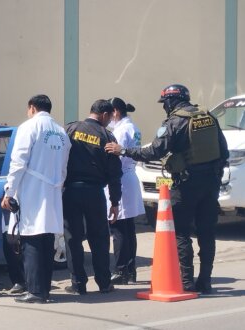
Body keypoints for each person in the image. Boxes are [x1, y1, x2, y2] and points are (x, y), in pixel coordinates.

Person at [105, 84, 228, 293]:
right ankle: (205, 280)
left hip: (187, 184)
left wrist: (123, 150)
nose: (164, 107)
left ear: (171, 102)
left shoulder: (175, 122)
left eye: (165, 103)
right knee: (207, 232)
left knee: (181, 232)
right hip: (211, 183)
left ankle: (187, 282)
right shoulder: (208, 117)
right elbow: (223, 151)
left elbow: (154, 151)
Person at [1, 94, 71, 303]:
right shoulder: (60, 132)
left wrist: (9, 191)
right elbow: (64, 167)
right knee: (47, 241)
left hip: (33, 191)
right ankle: (44, 290)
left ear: (32, 108)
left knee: (31, 242)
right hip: (53, 191)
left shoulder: (29, 127)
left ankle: (35, 291)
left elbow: (18, 162)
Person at [63, 99, 122, 295]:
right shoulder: (106, 135)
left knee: (72, 238)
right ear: (104, 115)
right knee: (99, 239)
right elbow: (115, 173)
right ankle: (104, 283)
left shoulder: (70, 129)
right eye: (109, 118)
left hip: (70, 191)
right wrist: (115, 202)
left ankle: (78, 284)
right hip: (95, 193)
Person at [105, 97, 145, 284]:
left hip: (121, 178)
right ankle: (130, 269)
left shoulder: (120, 131)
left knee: (119, 227)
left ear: (115, 112)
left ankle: (121, 270)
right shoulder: (133, 127)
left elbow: (115, 157)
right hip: (130, 177)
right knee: (128, 228)